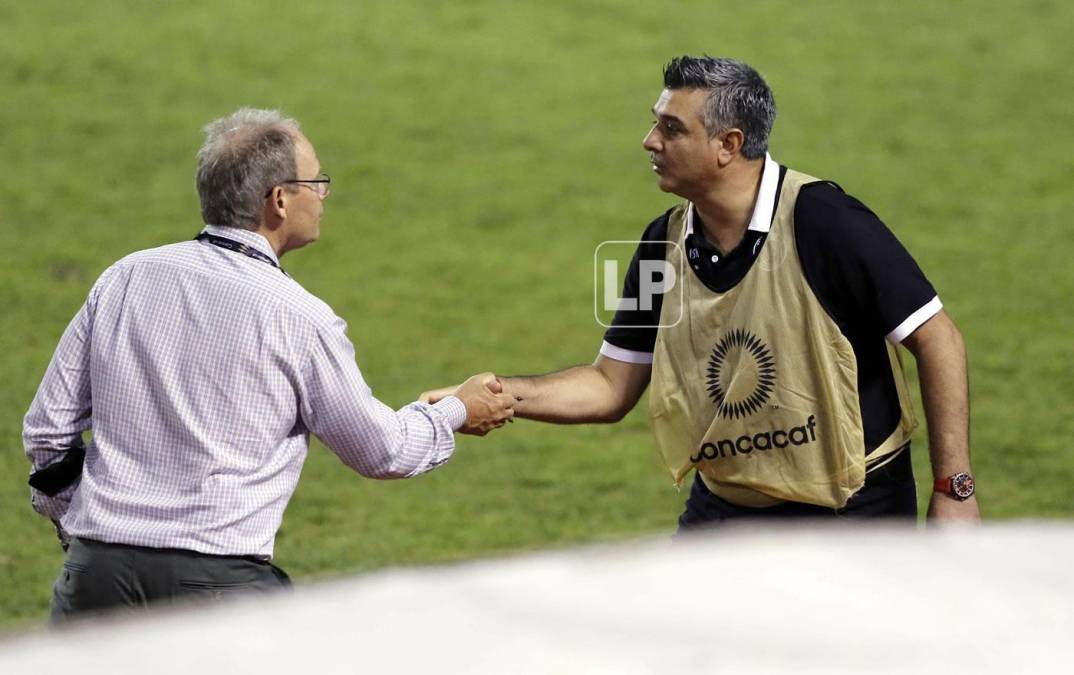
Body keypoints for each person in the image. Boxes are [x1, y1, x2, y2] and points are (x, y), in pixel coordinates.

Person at [423, 56, 979, 527]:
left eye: (671, 128)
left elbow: (938, 340)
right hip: (726, 509)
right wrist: (497, 394)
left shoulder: (826, 221)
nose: (649, 141)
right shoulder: (659, 244)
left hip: (853, 511)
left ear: (728, 144)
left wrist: (955, 489)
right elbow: (610, 386)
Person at [24, 108, 515, 622]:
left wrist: (88, 535)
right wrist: (456, 410)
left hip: (94, 579)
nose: (323, 195)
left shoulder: (126, 278)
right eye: (316, 182)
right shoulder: (299, 316)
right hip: (218, 588)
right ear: (280, 200)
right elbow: (381, 451)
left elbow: (47, 432)